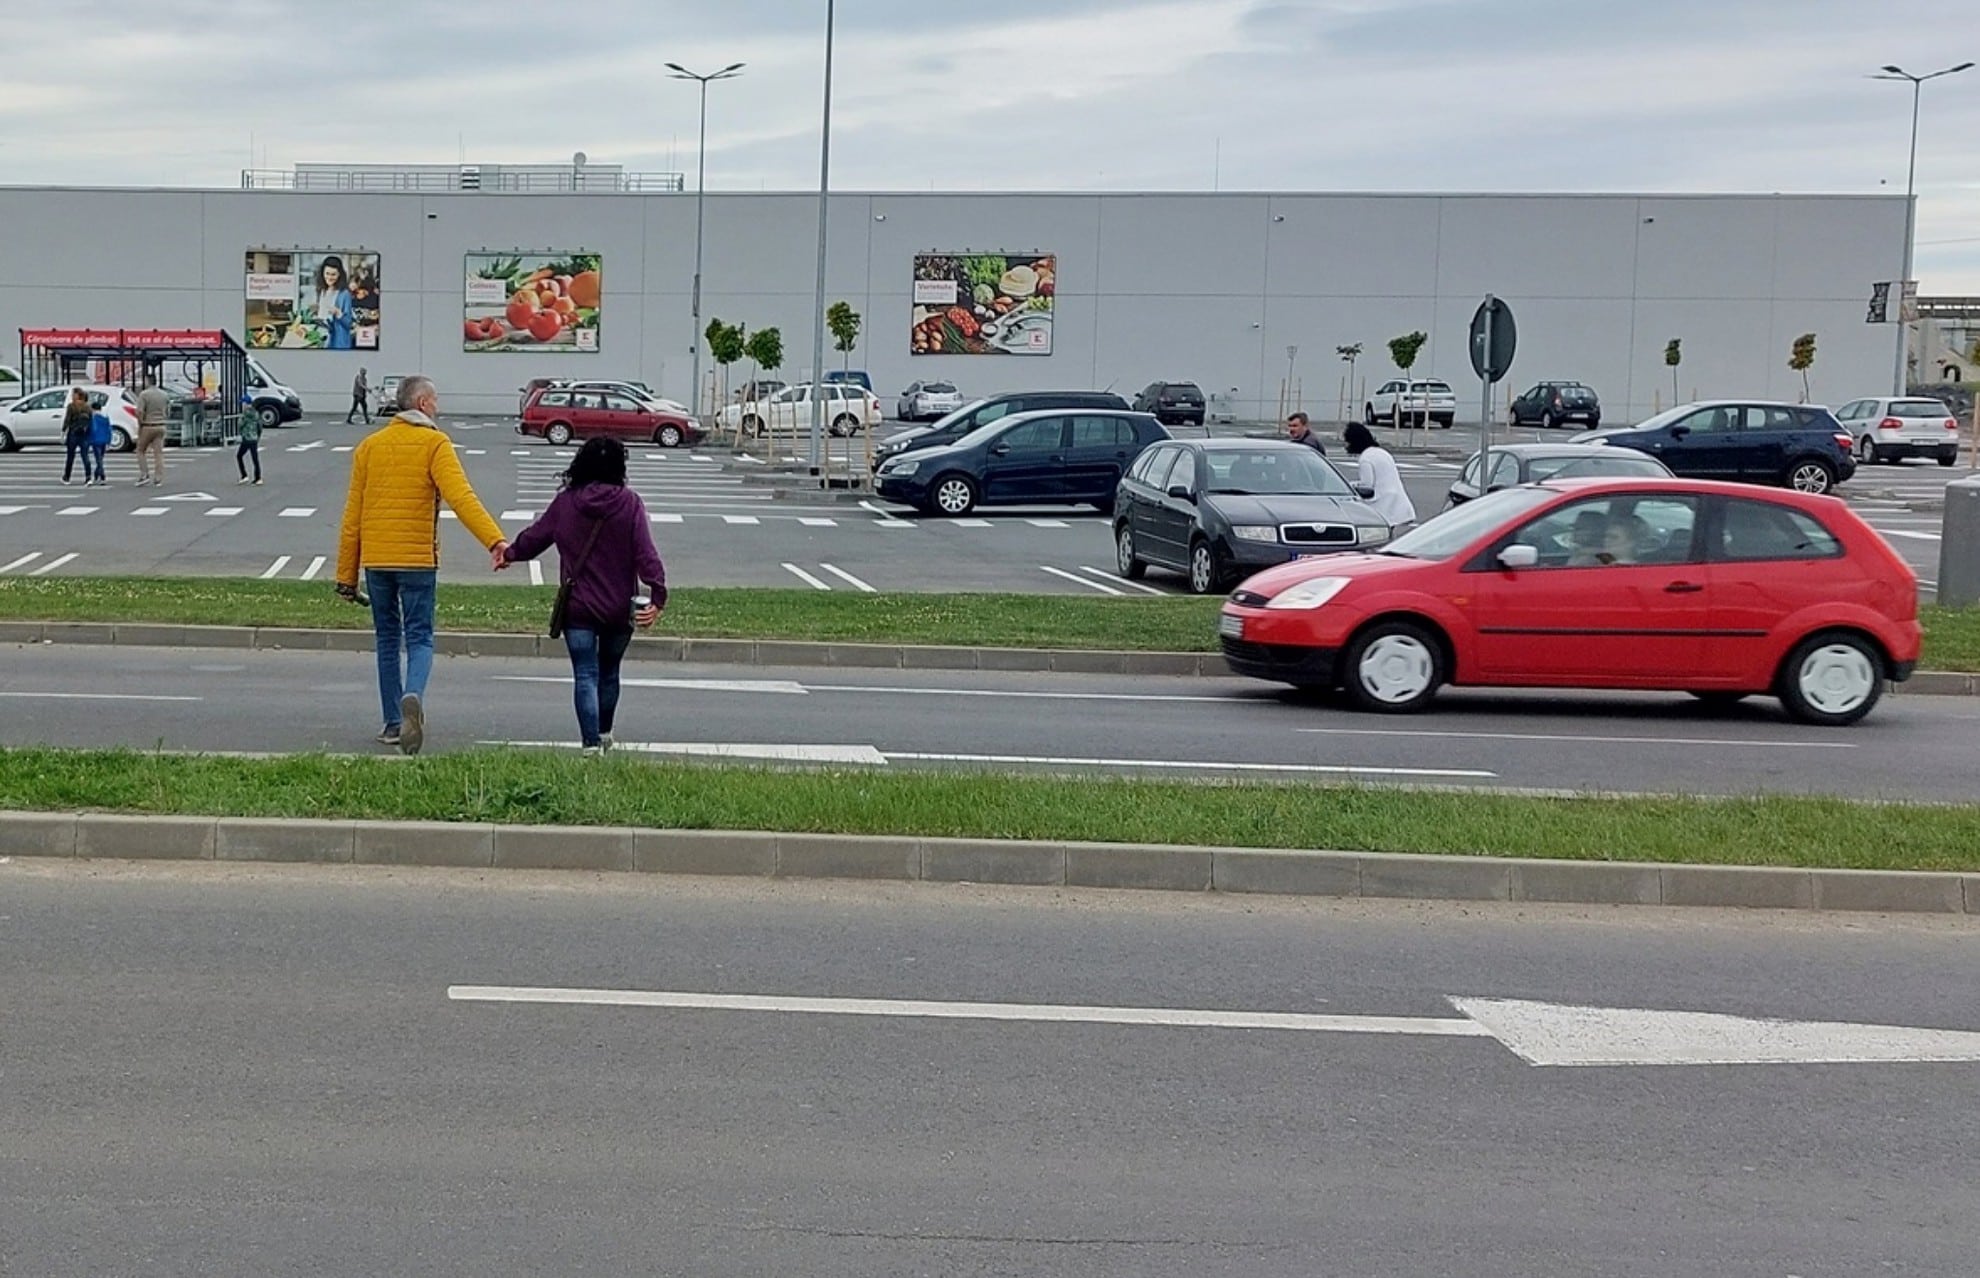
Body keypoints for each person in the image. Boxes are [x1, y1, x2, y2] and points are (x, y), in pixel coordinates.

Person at [334, 375, 508, 754]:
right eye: (437, 400)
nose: (439, 407)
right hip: (417, 561)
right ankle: (412, 694)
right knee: (420, 637)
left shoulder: (369, 446)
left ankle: (393, 723)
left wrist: (346, 575)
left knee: (385, 640)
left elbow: (353, 515)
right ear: (424, 403)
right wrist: (495, 541)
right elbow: (461, 497)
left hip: (377, 562)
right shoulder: (435, 443)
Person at [499, 437, 666, 756]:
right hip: (619, 607)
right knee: (610, 671)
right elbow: (647, 555)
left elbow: (536, 537)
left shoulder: (567, 502)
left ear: (581, 464)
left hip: (578, 607)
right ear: (620, 468)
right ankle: (605, 734)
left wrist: (509, 553)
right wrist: (657, 595)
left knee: (585, 673)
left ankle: (590, 744)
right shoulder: (630, 504)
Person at [1342, 421, 1417, 530]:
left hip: (1384, 508)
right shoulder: (1382, 452)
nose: (1346, 446)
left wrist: (1350, 486)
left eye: (1347, 442)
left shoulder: (1365, 459)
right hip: (1399, 504)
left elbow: (1367, 486)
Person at [134, 375, 171, 487]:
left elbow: (140, 412)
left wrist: (140, 423)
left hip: (148, 425)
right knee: (158, 453)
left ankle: (144, 474)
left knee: (140, 450)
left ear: (147, 381)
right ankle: (158, 477)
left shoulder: (144, 394)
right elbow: (168, 411)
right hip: (161, 425)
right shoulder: (164, 395)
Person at [313, 256, 355, 350]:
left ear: (339, 274)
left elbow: (349, 324)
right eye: (327, 273)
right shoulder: (322, 290)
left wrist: (338, 313)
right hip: (324, 341)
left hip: (339, 343)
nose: (329, 277)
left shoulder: (344, 294)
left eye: (333, 274)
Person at [60, 389, 92, 485]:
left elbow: (67, 419)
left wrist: (63, 431)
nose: (72, 396)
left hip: (73, 433)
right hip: (84, 434)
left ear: (77, 396)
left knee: (70, 456)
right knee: (85, 456)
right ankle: (88, 477)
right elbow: (90, 421)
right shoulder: (87, 407)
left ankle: (67, 477)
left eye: (74, 394)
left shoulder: (71, 406)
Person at [86, 401, 113, 486]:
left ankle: (102, 476)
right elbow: (109, 430)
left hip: (95, 440)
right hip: (104, 440)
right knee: (100, 458)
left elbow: (92, 430)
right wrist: (109, 441)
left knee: (98, 460)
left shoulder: (93, 418)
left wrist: (88, 440)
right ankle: (97, 474)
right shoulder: (105, 417)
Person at [235, 403, 263, 485]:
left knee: (239, 456)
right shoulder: (256, 414)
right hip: (254, 438)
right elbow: (260, 426)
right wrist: (258, 436)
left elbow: (240, 425)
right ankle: (258, 477)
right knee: (255, 458)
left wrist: (241, 433)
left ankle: (244, 475)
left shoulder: (245, 415)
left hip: (246, 438)